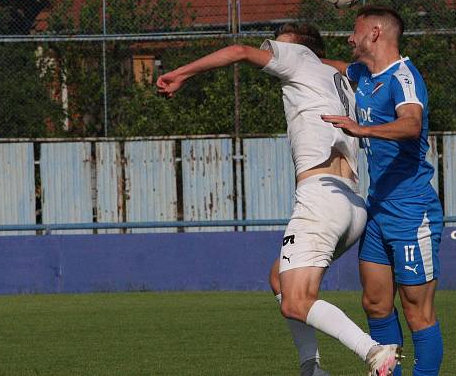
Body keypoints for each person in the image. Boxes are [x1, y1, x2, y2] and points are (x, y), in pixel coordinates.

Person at [156, 22, 400, 376]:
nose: (270, 52)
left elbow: (239, 52)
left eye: (276, 45)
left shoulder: (298, 57)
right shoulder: (336, 77)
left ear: (299, 47)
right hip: (351, 204)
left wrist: (180, 73)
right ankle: (311, 368)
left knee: (297, 301)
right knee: (279, 279)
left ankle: (374, 352)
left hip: (321, 198)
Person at [321, 5, 443, 376]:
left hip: (411, 210)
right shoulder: (363, 74)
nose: (349, 37)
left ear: (375, 33)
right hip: (378, 210)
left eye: (354, 30)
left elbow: (411, 124)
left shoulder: (403, 77)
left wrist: (363, 131)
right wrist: (290, 56)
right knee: (375, 303)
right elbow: (331, 67)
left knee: (415, 310)